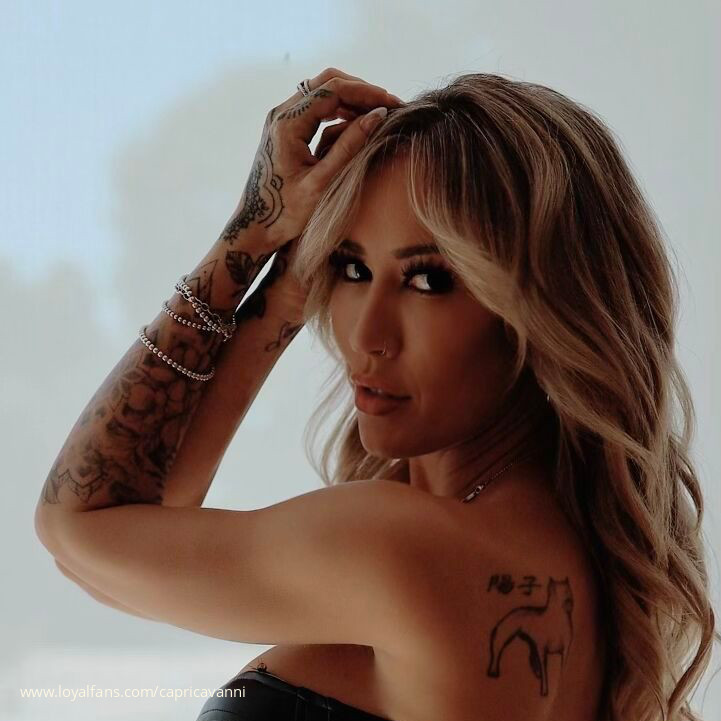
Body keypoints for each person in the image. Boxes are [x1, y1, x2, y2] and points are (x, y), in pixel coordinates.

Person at [35, 69, 718, 721]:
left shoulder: (406, 550)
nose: (366, 335)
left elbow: (80, 526)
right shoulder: (573, 568)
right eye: (351, 268)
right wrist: (296, 278)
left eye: (428, 281)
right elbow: (130, 540)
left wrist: (254, 232)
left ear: (545, 309)